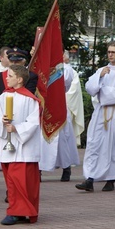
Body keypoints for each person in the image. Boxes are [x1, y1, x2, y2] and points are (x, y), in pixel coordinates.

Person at [76, 41, 115, 192]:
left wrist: (101, 91)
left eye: (113, 52)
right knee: (94, 144)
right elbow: (90, 89)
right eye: (109, 52)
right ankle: (89, 179)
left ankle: (111, 179)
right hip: (100, 113)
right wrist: (100, 78)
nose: (110, 55)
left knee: (113, 147)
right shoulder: (102, 70)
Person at [0, 64, 41, 225]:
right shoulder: (3, 97)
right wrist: (2, 121)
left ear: (19, 80)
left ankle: (17, 212)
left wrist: (16, 128)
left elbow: (33, 123)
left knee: (21, 182)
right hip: (8, 144)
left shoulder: (30, 99)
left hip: (24, 148)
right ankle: (19, 211)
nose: (6, 78)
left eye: (10, 75)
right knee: (11, 181)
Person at [39, 50, 81, 182]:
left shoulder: (66, 69)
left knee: (63, 139)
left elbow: (66, 81)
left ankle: (66, 168)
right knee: (41, 139)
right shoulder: (42, 66)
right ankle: (39, 169)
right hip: (44, 106)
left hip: (58, 105)